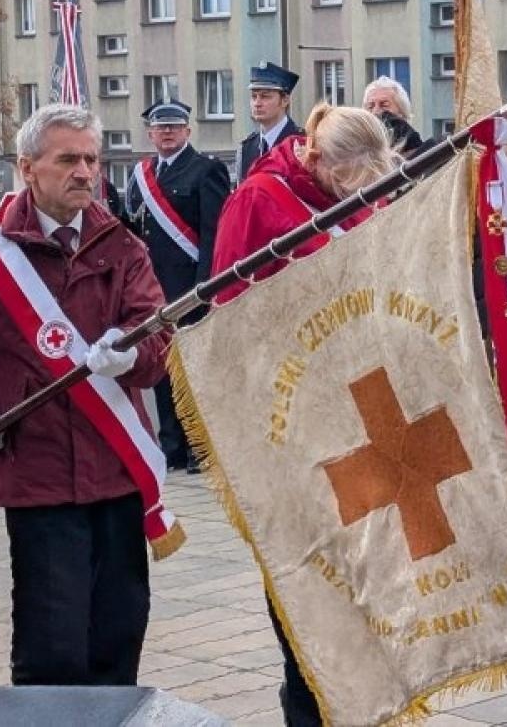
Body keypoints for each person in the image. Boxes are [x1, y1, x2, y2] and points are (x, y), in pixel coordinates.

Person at [0, 103, 172, 688]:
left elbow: (159, 341)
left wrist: (134, 355)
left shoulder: (123, 248)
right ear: (29, 168)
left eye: (91, 159)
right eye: (68, 160)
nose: (84, 172)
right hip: (40, 480)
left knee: (117, 639)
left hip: (118, 475)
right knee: (51, 651)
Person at [211, 104, 399, 727]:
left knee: (369, 583)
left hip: (366, 414)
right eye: (348, 179)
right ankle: (309, 711)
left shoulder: (357, 189)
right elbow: (229, 317)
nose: (357, 192)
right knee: (309, 586)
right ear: (315, 155)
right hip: (292, 421)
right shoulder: (257, 201)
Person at [125, 98, 231, 473]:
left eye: (174, 126)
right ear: (150, 133)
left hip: (189, 289)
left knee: (193, 371)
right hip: (152, 290)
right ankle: (170, 447)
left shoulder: (206, 171)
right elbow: (132, 232)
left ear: (187, 130)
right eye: (160, 127)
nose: (167, 133)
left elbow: (213, 233)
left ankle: (198, 450)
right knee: (161, 369)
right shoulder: (141, 175)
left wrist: (205, 288)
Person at [237, 61, 302, 181]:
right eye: (253, 96)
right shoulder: (247, 147)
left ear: (285, 100)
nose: (257, 103)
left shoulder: (301, 143)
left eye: (265, 96)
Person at [362, 75, 426, 157]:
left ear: (402, 112)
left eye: (384, 105)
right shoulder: (358, 153)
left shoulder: (419, 152)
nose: (376, 111)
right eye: (370, 106)